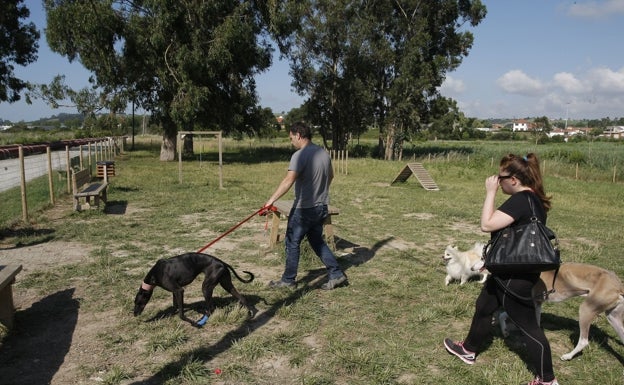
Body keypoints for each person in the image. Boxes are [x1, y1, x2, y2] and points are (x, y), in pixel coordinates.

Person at [444, 153, 559, 385]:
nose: (497, 180)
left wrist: (489, 193)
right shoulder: (534, 199)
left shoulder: (520, 199)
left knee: (528, 326)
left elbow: (487, 224)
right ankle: (468, 349)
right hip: (511, 270)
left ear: (514, 180)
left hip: (514, 275)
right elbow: (513, 236)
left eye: (500, 177)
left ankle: (547, 380)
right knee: (484, 306)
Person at [264, 122, 348, 290]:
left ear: (298, 136)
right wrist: (319, 192)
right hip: (321, 206)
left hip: (304, 209)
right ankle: (336, 273)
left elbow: (289, 180)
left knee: (292, 242)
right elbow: (331, 176)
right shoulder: (323, 153)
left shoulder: (299, 155)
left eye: (291, 138)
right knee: (317, 241)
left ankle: (288, 280)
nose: (291, 142)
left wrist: (271, 200)